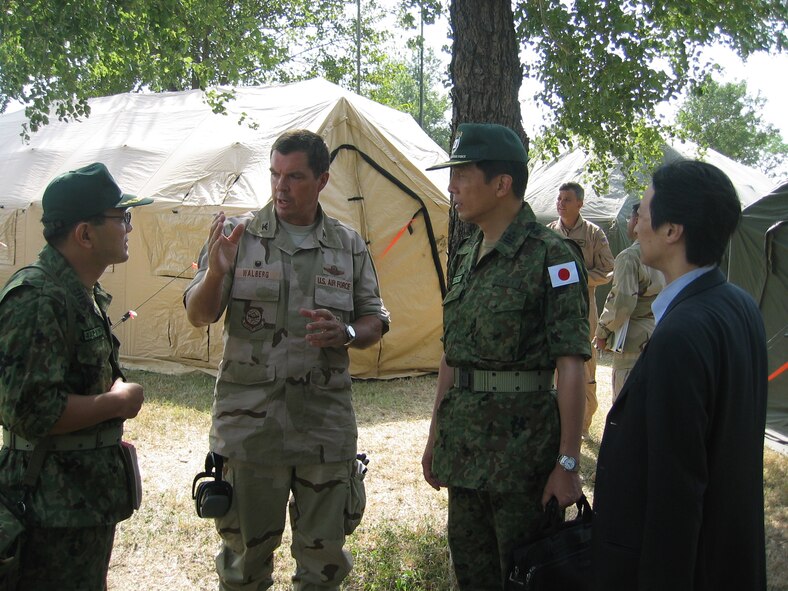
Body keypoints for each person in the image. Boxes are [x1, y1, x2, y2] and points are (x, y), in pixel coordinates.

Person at [184, 129, 390, 591]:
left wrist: (348, 332)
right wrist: (217, 270)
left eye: (294, 176)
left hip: (324, 430)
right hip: (251, 429)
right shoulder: (238, 236)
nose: (281, 186)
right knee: (245, 565)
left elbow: (374, 318)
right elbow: (199, 315)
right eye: (275, 174)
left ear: (322, 180)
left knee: (323, 568)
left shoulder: (348, 245)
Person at [421, 123, 590, 590]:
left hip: (523, 461)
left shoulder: (550, 256)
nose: (451, 187)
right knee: (471, 576)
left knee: (524, 576)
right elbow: (452, 358)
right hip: (466, 456)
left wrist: (568, 463)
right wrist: (436, 436)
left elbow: (571, 362)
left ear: (501, 183)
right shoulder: (468, 253)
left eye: (462, 175)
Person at [591, 160, 768, 590]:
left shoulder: (682, 334)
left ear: (673, 230)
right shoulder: (739, 304)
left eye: (646, 214)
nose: (635, 229)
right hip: (728, 556)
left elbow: (676, 493)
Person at [0, 163, 150, 590]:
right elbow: (30, 410)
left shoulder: (80, 292)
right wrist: (119, 403)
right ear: (85, 234)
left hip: (79, 500)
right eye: (121, 218)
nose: (128, 228)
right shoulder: (37, 298)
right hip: (47, 508)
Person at [548, 182, 614, 436]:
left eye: (567, 199)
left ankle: (583, 423)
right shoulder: (549, 232)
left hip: (583, 309)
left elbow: (608, 269)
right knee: (554, 365)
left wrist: (577, 277)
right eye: (559, 198)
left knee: (584, 366)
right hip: (553, 309)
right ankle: (555, 422)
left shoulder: (594, 234)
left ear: (580, 204)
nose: (561, 203)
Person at [592, 203, 664, 400]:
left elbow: (622, 303)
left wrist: (602, 332)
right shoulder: (669, 255)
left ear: (638, 221)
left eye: (631, 219)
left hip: (633, 341)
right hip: (663, 335)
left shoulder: (630, 257)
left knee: (627, 406)